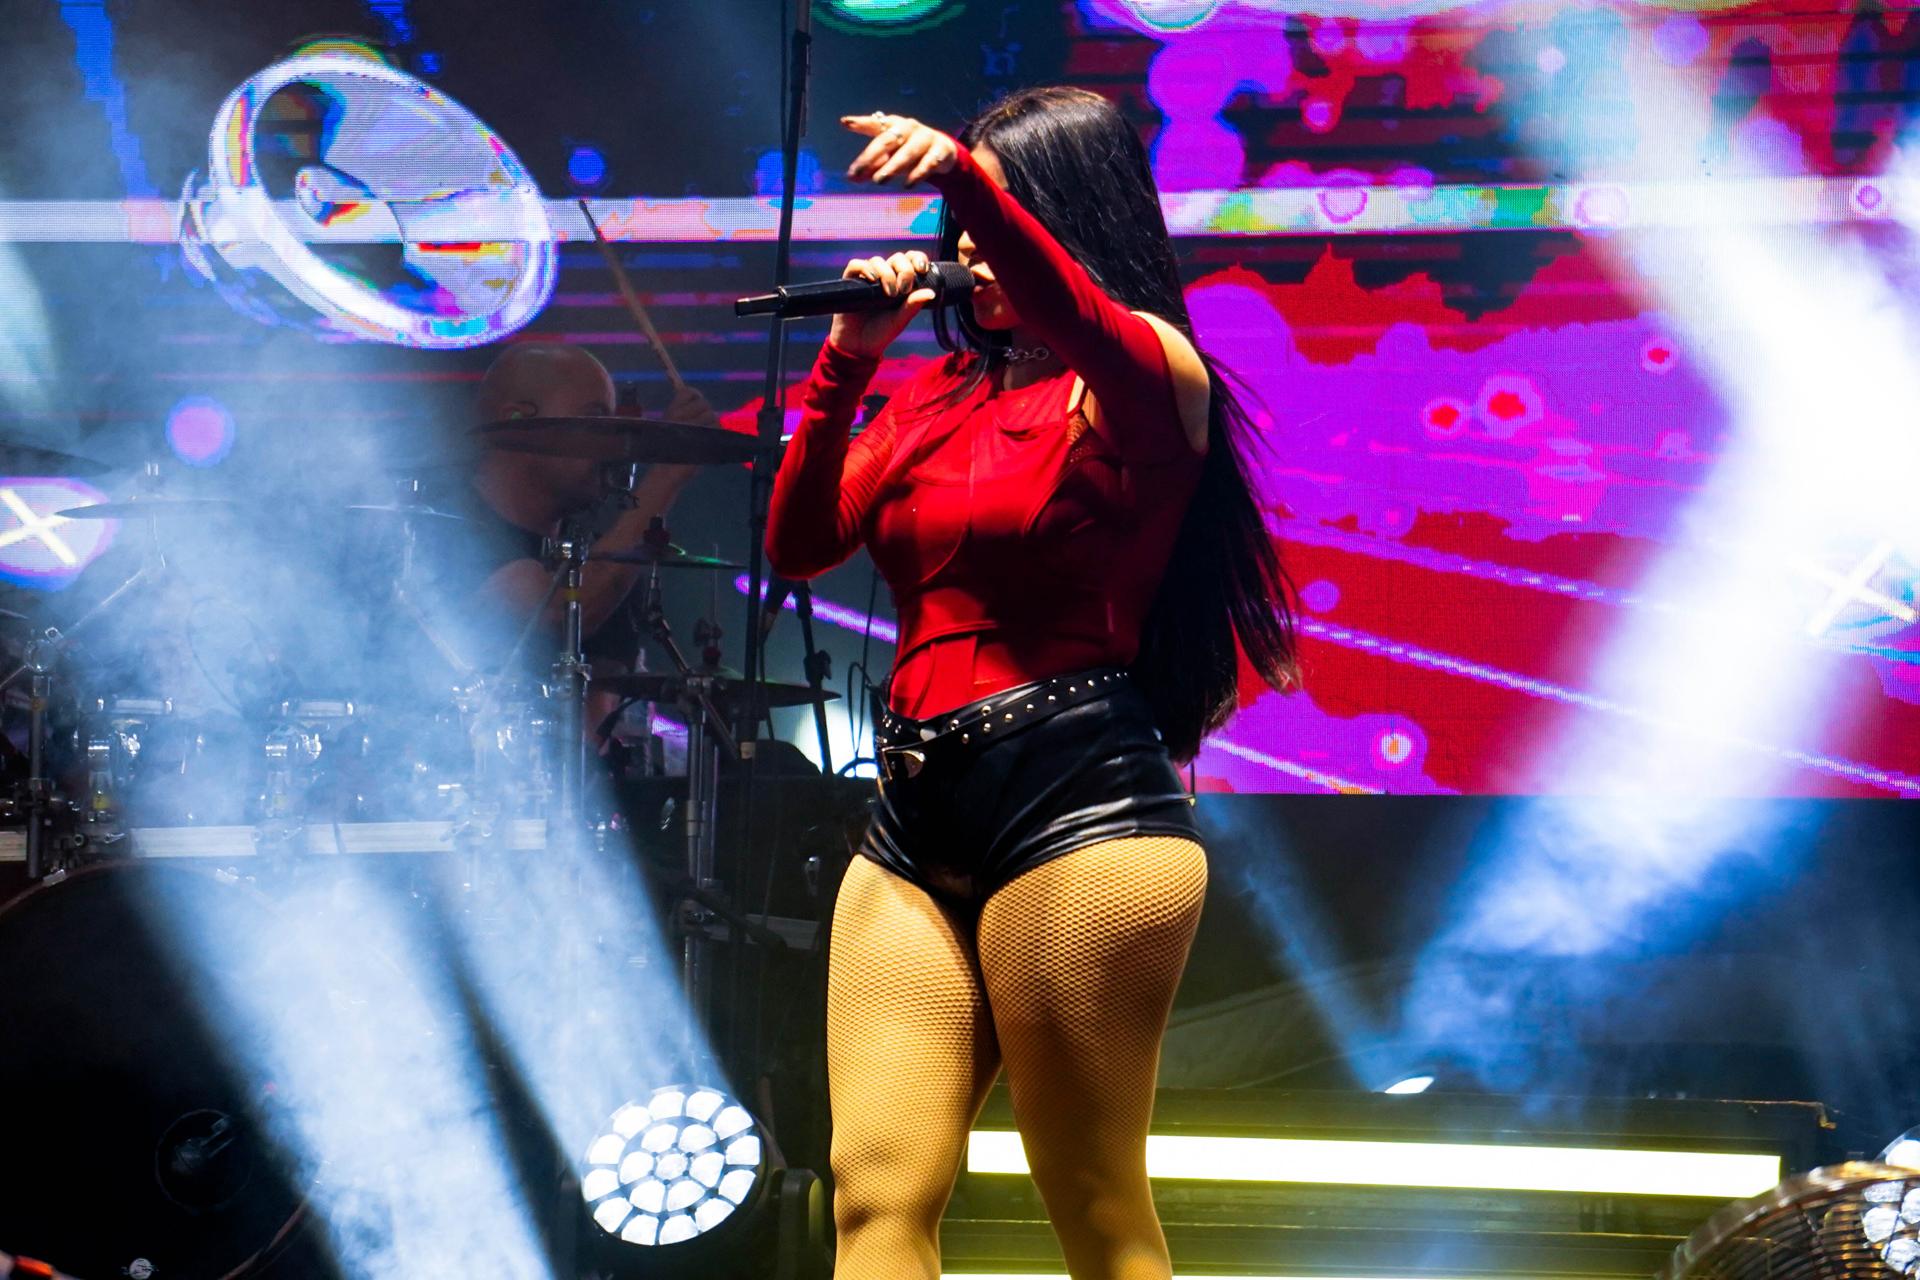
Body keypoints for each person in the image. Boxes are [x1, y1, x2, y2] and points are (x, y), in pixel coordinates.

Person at [764, 89, 1298, 1280]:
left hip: (1082, 804)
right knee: (872, 1194)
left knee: (1092, 1198)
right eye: (960, 220)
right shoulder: (937, 398)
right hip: (913, 817)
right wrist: (848, 362)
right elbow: (799, 543)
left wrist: (963, 174)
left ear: (1073, 217)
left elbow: (1074, 309)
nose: (967, 244)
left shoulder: (1149, 376)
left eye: (1001, 214)